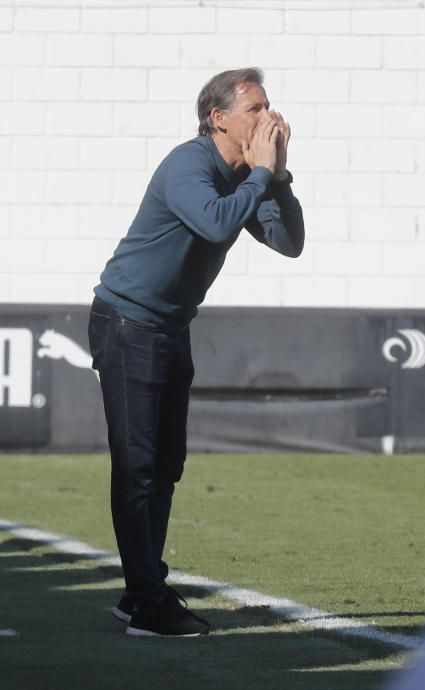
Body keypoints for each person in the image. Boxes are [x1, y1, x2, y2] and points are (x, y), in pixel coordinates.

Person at [88, 67, 305, 638]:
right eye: (255, 109)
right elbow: (212, 223)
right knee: (137, 467)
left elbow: (289, 244)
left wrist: (276, 177)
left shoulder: (247, 175)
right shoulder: (190, 164)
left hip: (169, 328)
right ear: (220, 118)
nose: (268, 117)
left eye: (268, 106)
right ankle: (146, 600)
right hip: (127, 323)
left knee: (165, 465)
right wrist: (261, 175)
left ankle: (142, 592)